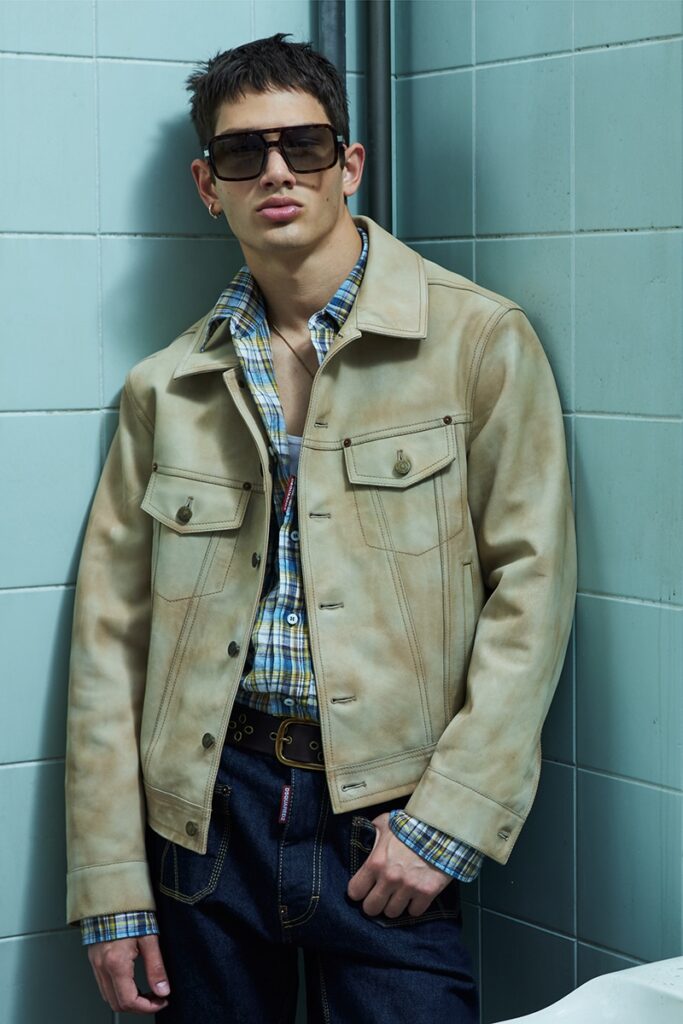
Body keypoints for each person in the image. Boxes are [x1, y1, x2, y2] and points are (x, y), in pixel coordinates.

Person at [65, 32, 576, 1022]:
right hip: (203, 826)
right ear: (207, 185)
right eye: (241, 152)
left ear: (348, 164)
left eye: (301, 145)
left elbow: (533, 590)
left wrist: (447, 820)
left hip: (384, 823)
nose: (274, 172)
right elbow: (107, 649)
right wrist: (110, 885)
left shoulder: (476, 341)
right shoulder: (165, 388)